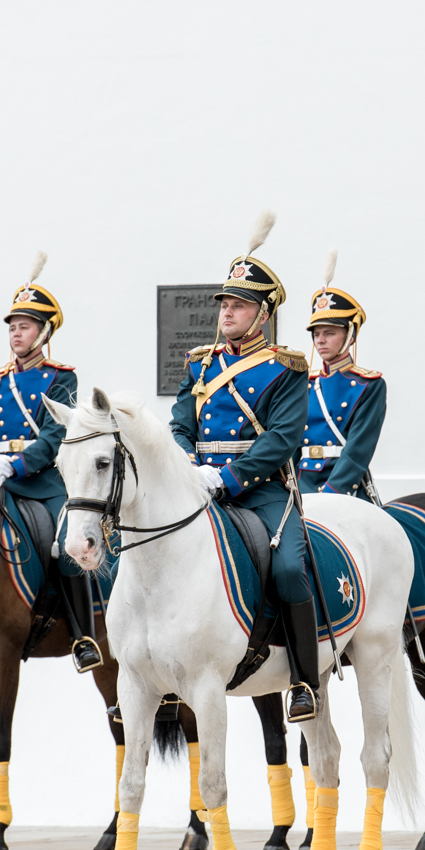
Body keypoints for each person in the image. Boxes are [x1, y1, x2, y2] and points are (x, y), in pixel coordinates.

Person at [169, 215, 317, 721]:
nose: (227, 312)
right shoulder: (200, 363)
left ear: (261, 314)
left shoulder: (286, 367)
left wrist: (228, 477)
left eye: (238, 304)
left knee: (290, 568)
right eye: (225, 303)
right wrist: (187, 463)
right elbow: (180, 424)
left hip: (263, 492)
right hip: (200, 488)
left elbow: (282, 440)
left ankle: (303, 679)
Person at [0, 256, 99, 673]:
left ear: (44, 332)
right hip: (0, 484)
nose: (15, 332)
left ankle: (82, 635)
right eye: (12, 325)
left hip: (44, 483)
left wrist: (15, 465)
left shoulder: (60, 378)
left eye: (24, 325)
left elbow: (53, 437)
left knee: (66, 551)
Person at [297, 253, 385, 502]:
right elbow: (291, 446)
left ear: (350, 336)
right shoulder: (304, 384)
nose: (320, 340)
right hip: (302, 483)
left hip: (345, 486)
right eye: (316, 334)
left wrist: (333, 494)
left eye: (329, 332)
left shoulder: (369, 385)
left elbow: (358, 450)